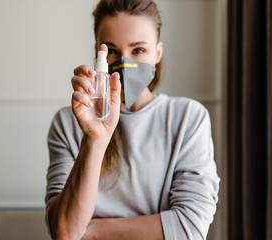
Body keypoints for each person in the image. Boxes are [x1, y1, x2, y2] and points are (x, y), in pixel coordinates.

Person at [45, 0, 220, 239]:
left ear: (158, 52)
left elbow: (190, 226)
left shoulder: (188, 118)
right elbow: (64, 231)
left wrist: (92, 232)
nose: (125, 63)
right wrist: (94, 140)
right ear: (98, 52)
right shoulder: (68, 123)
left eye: (138, 50)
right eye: (113, 50)